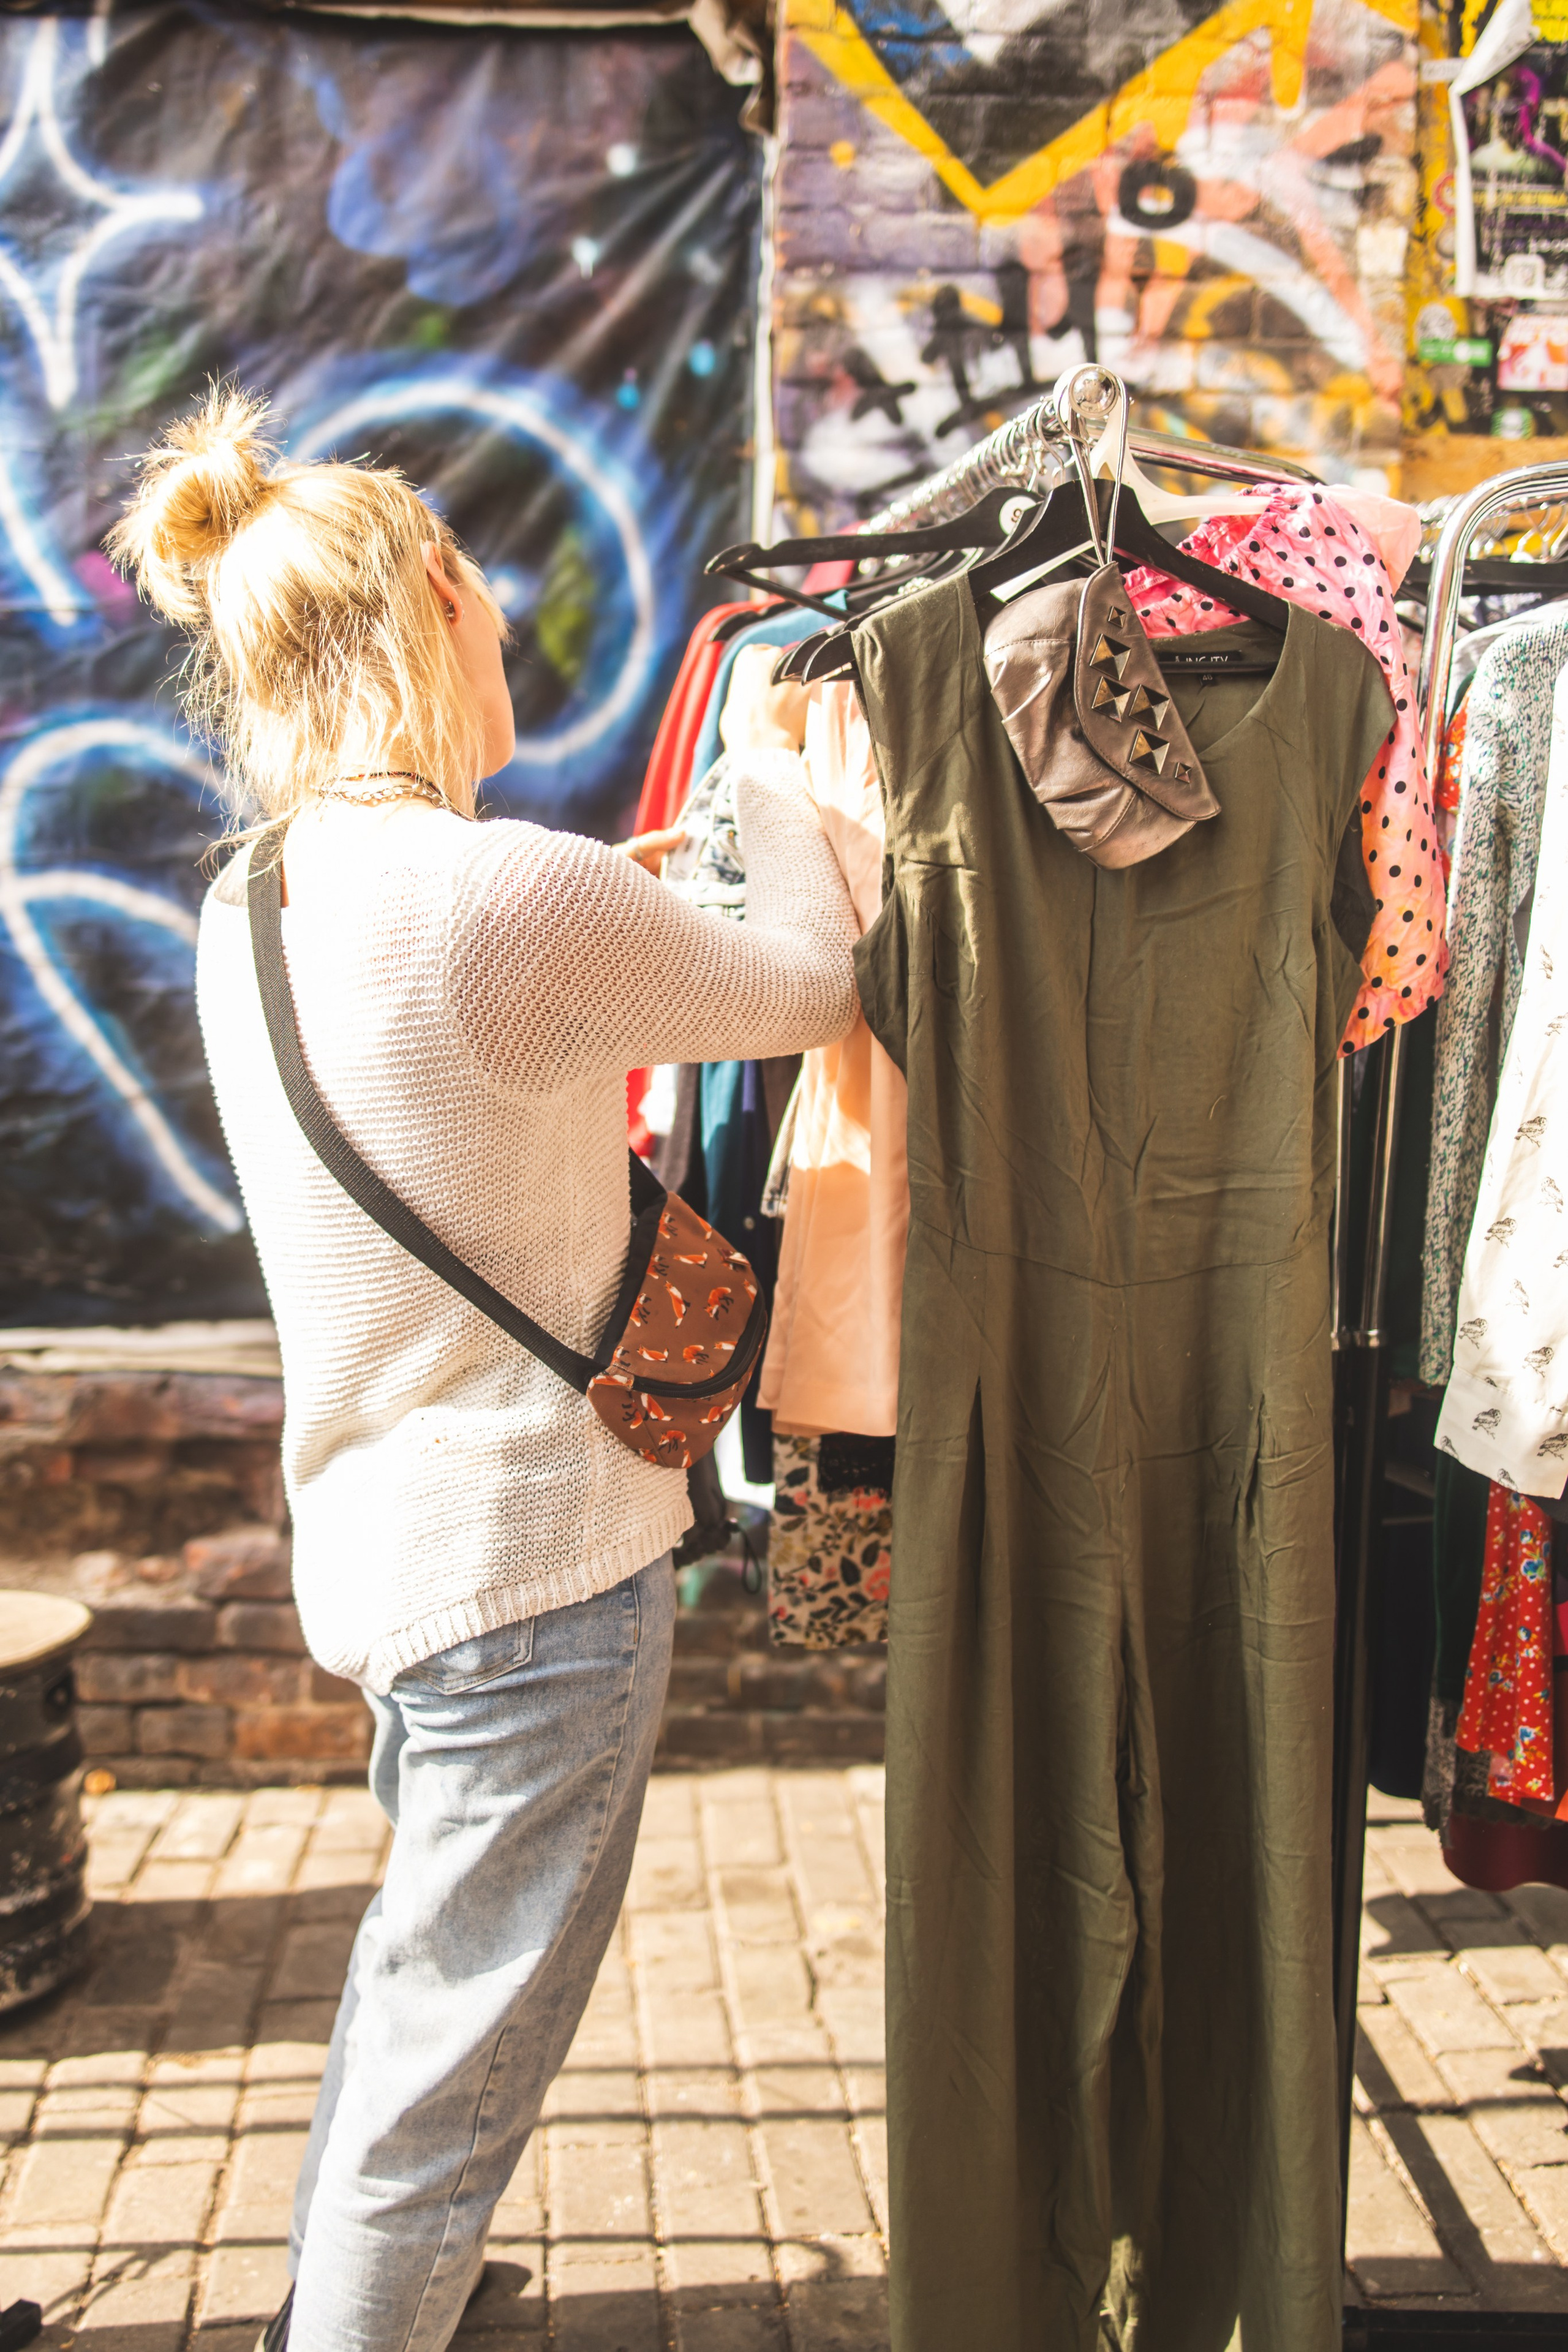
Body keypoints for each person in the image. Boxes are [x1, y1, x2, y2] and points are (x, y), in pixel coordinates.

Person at [108, 386, 858, 2352]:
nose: (510, 627)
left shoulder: (249, 904)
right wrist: (777, 769)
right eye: (483, 598)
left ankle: (365, 2297)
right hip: (533, 1579)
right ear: (424, 609)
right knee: (459, 2071)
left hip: (391, 1562)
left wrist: (638, 873)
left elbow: (474, 1050)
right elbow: (810, 981)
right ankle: (365, 2317)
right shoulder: (495, 894)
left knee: (420, 1997)